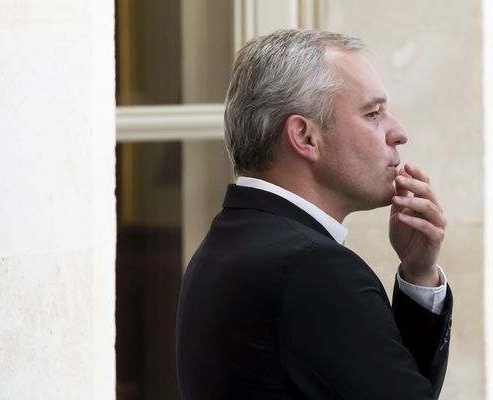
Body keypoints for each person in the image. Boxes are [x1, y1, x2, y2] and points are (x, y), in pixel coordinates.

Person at [176, 29, 452, 399]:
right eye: (373, 113)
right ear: (305, 137)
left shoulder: (229, 240)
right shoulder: (314, 268)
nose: (399, 133)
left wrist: (419, 276)